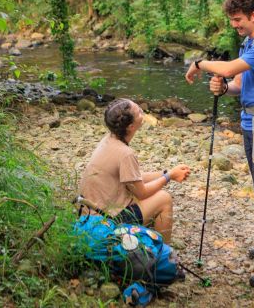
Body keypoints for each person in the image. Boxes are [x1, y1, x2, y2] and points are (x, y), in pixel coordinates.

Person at [184, 0, 254, 287]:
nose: (235, 25)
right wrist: (224, 88)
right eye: (232, 20)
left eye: (238, 19)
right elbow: (239, 82)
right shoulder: (250, 42)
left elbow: (230, 68)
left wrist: (199, 64)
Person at [78, 98, 191, 243]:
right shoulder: (125, 153)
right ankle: (164, 253)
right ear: (131, 126)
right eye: (138, 112)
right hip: (107, 222)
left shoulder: (108, 140)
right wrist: (169, 177)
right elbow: (142, 193)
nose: (142, 112)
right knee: (164, 198)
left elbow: (132, 179)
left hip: (89, 215)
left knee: (149, 195)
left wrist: (165, 173)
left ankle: (146, 242)